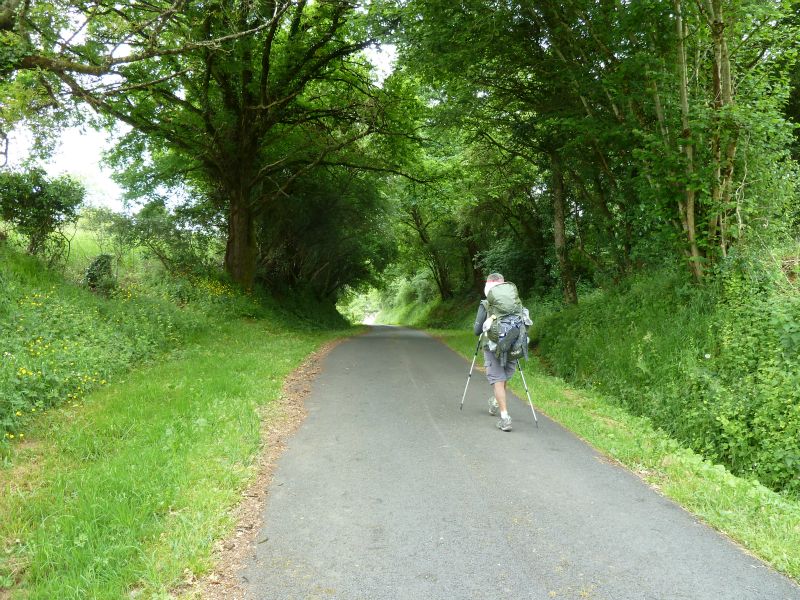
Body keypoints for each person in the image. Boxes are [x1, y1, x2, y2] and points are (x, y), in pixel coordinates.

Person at [473, 272, 520, 432]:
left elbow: (476, 330)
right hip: (513, 344)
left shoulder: (486, 304)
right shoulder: (514, 303)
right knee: (504, 376)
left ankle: (505, 418)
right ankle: (495, 402)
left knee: (497, 378)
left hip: (492, 346)